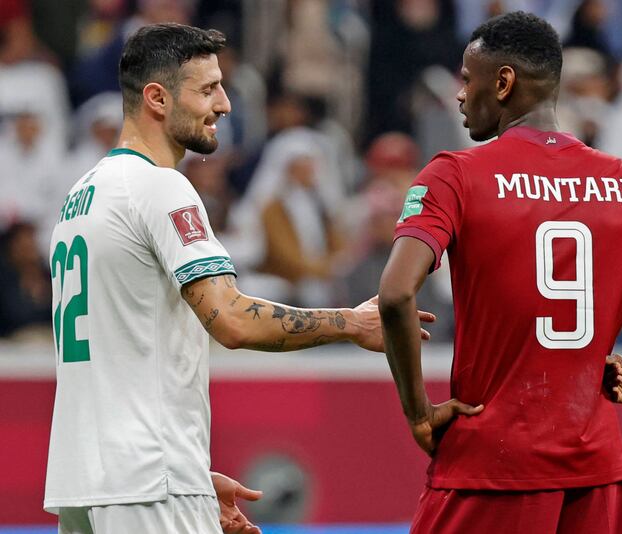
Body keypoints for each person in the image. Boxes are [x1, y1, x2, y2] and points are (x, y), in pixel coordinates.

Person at [378, 11, 622, 534]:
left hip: (490, 465)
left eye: (465, 79)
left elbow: (394, 295)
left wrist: (417, 412)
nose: (458, 95)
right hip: (596, 473)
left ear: (502, 82)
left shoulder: (455, 175)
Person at [45, 23, 433, 534]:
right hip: (148, 481)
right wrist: (351, 323)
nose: (225, 104)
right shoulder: (163, 188)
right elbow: (231, 320)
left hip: (85, 481)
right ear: (157, 98)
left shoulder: (80, 198)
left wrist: (194, 477)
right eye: (208, 89)